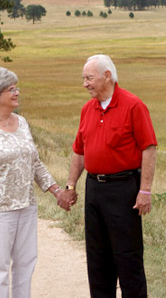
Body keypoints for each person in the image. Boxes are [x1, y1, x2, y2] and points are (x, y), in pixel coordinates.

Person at [58, 54, 157, 298]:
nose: (85, 84)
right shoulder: (87, 109)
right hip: (95, 190)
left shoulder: (133, 105)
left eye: (89, 78)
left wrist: (145, 190)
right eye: (84, 78)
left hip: (124, 189)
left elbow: (149, 148)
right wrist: (70, 186)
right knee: (97, 257)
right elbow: (79, 151)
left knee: (127, 257)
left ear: (107, 76)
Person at [0, 67, 64, 298]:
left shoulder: (22, 123)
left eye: (16, 88)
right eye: (11, 89)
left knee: (26, 265)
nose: (17, 93)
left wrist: (56, 191)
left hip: (26, 207)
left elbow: (36, 164)